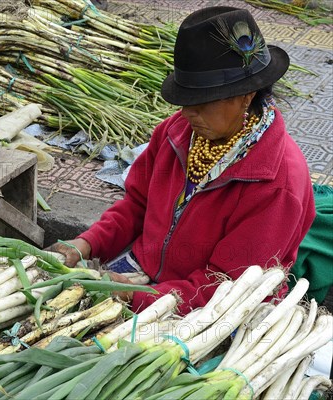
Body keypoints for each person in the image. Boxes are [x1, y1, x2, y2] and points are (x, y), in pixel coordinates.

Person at [49, 6, 316, 314]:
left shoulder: (276, 183)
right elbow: (137, 205)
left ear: (247, 95)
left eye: (201, 101)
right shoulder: (176, 132)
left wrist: (133, 295)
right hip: (141, 276)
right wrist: (86, 244)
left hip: (214, 310)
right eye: (185, 100)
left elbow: (226, 286)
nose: (188, 113)